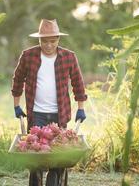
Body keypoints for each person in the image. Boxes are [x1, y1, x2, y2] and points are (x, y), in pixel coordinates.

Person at [11, 19, 87, 186]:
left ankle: (55, 179)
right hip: (36, 114)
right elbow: (17, 80)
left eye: (52, 41)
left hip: (59, 115)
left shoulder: (68, 57)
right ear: (39, 40)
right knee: (34, 157)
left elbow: (78, 84)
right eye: (44, 41)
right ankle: (35, 181)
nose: (48, 45)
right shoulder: (28, 55)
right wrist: (17, 105)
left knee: (59, 155)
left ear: (58, 40)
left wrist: (81, 108)